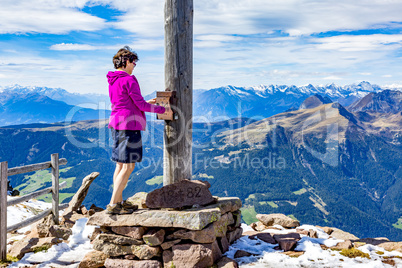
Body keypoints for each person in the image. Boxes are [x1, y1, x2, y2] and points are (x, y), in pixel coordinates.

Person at [106, 46, 166, 214]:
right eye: (133, 62)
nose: (134, 66)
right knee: (128, 167)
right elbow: (139, 105)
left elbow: (126, 102)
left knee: (120, 165)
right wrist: (163, 110)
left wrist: (149, 102)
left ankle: (118, 201)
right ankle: (113, 205)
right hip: (129, 126)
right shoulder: (129, 79)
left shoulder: (113, 80)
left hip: (117, 124)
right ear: (125, 62)